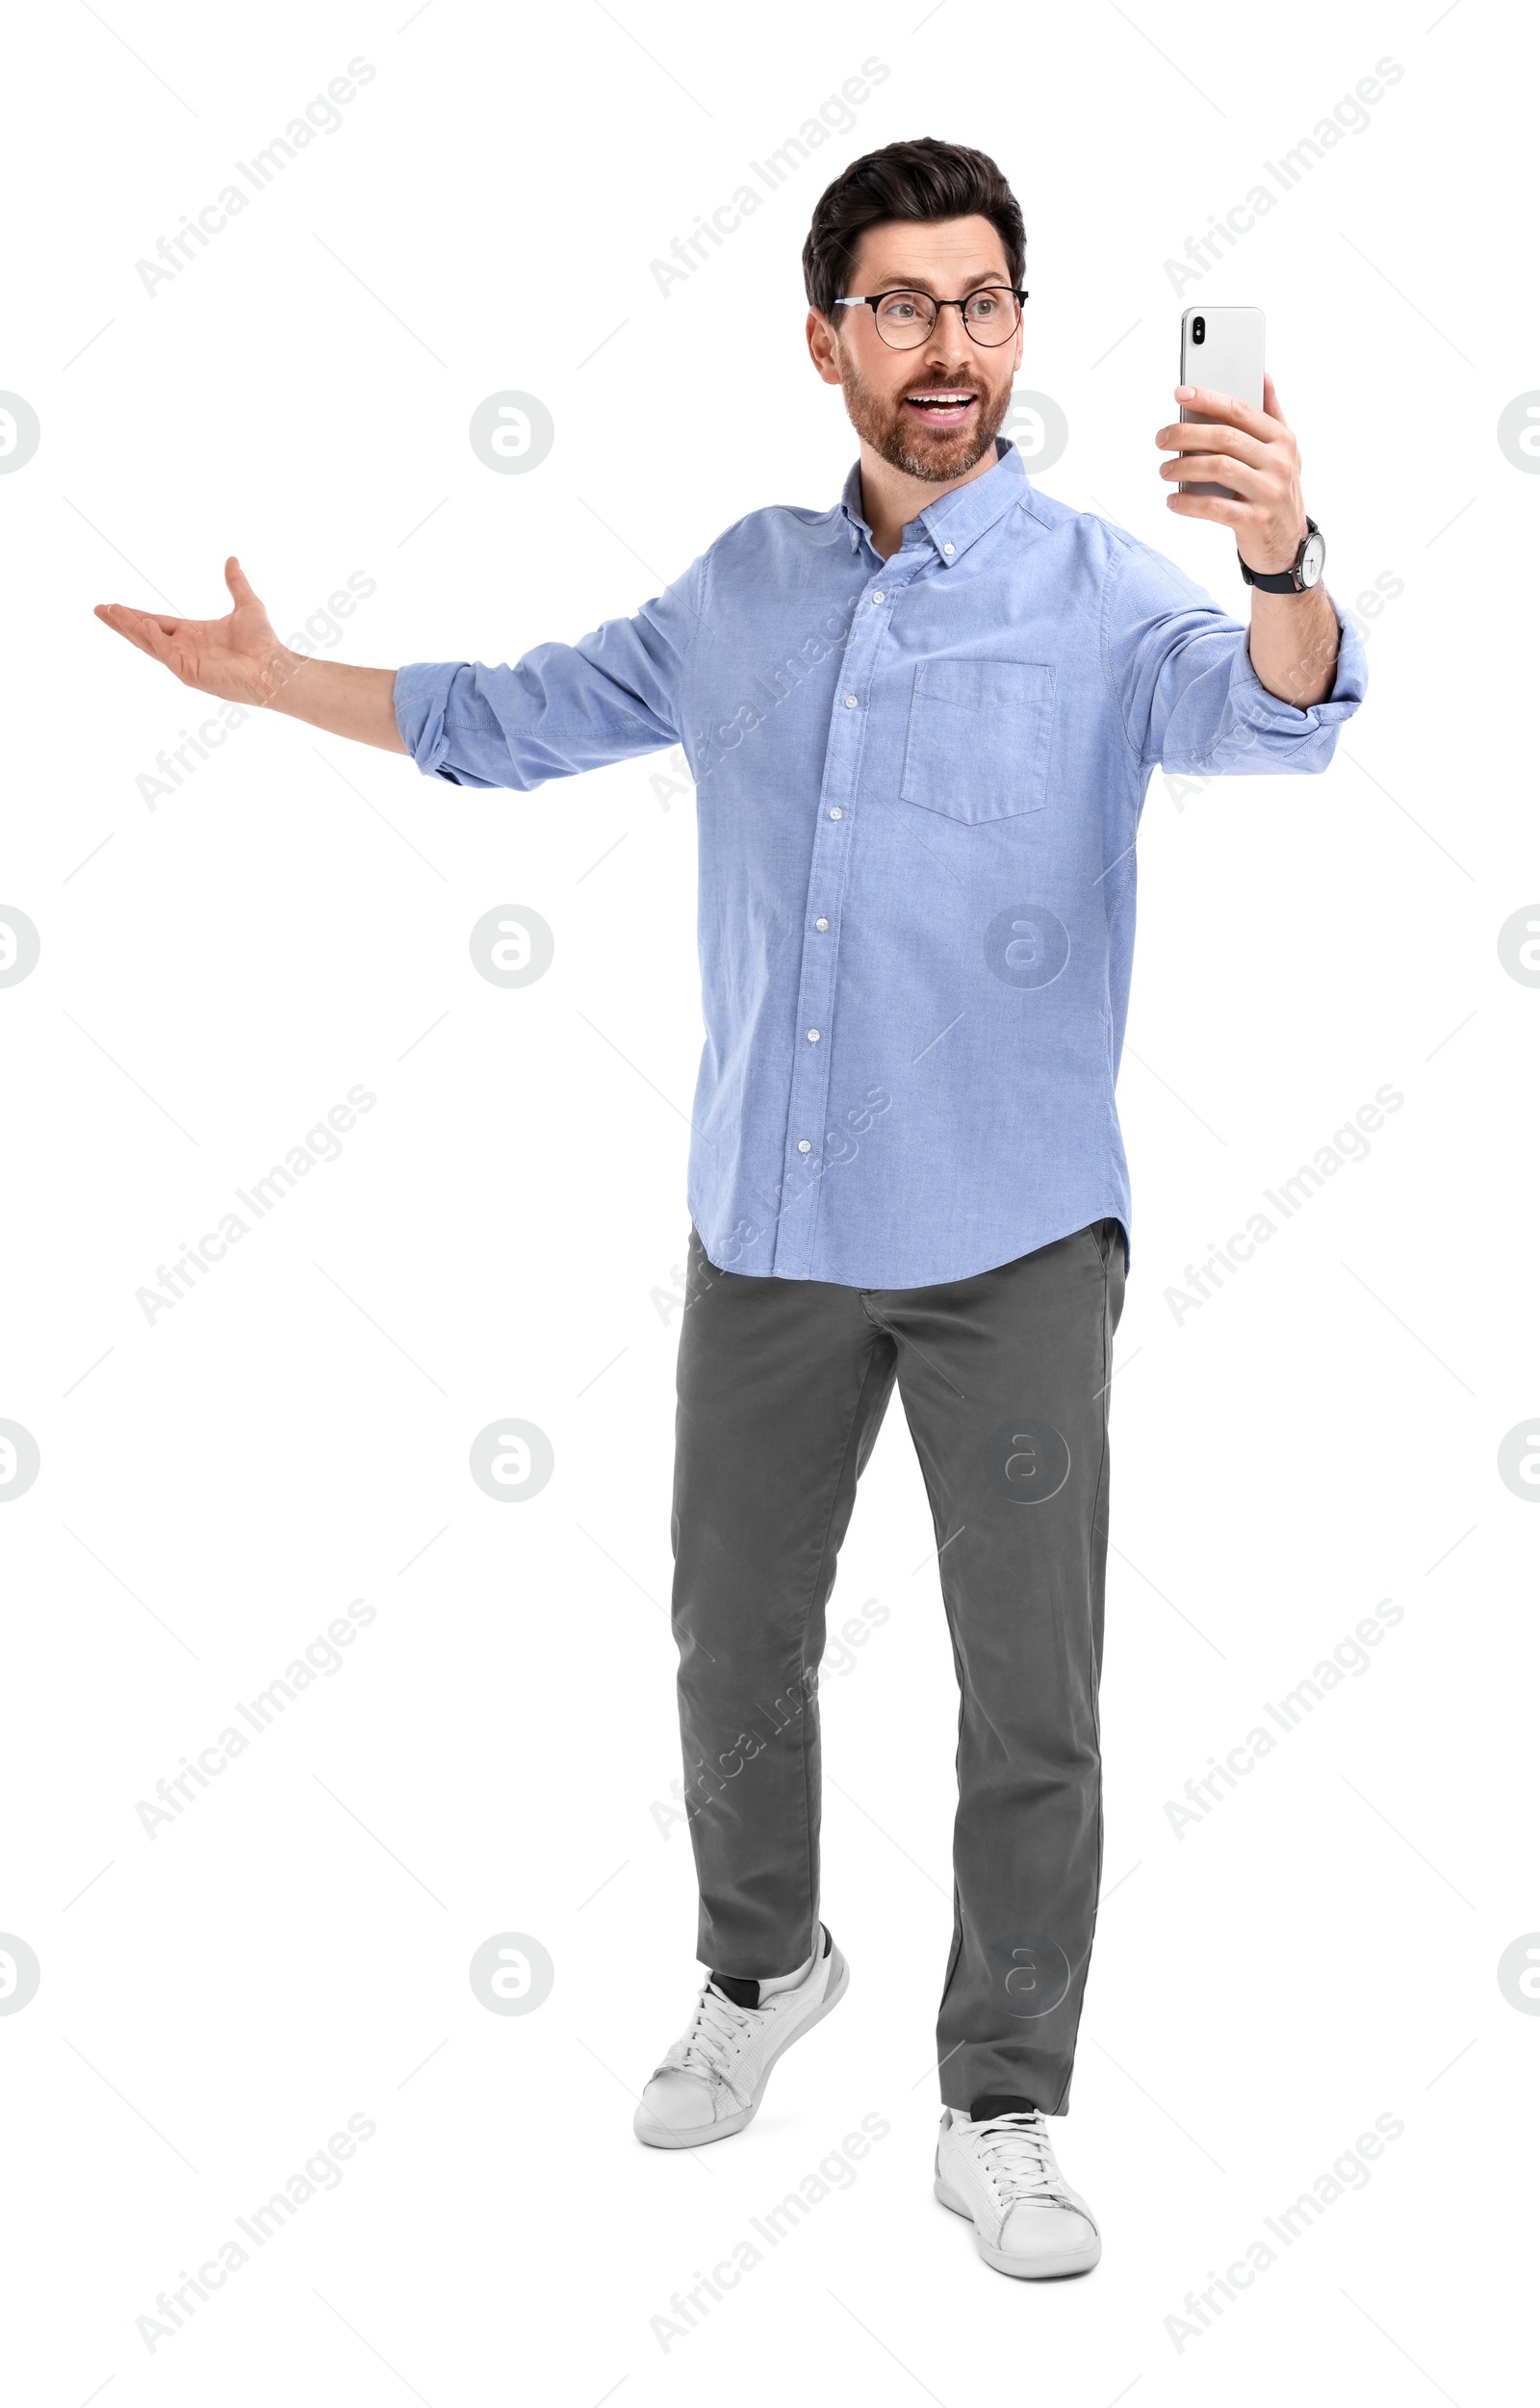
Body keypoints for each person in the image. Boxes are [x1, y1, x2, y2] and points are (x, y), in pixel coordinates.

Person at [95, 136, 1364, 2281]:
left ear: (1020, 333)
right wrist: (268, 680)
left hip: (1015, 1248)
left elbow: (1279, 719)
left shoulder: (1115, 597)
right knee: (729, 1645)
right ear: (823, 339)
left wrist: (1282, 559)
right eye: (898, 304)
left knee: (1024, 1694)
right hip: (764, 1240)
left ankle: (1003, 2104)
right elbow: (511, 717)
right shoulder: (741, 589)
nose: (942, 343)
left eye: (977, 303)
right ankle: (763, 1972)